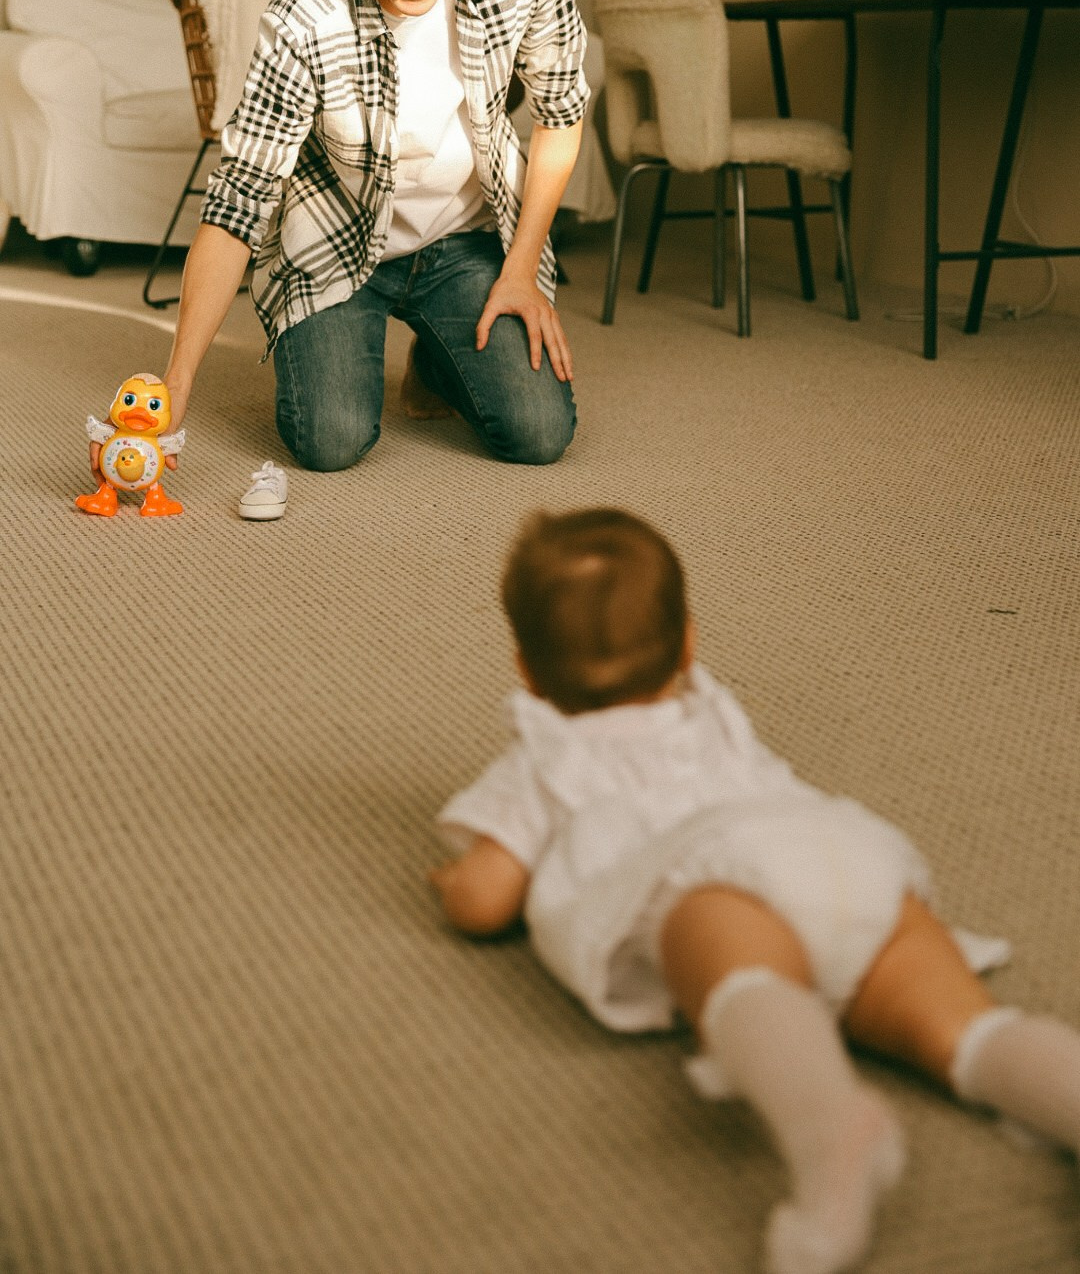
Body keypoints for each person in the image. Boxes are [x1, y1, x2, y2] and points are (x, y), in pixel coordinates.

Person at [430, 508, 1080, 1274]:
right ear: (689, 647)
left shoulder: (549, 756)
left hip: (723, 880)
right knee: (967, 1030)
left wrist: (452, 879)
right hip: (845, 853)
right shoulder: (713, 714)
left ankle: (835, 1130)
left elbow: (484, 900)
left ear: (528, 673)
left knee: (744, 974)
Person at [145, 0, 586, 485]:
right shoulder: (303, 9)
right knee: (329, 441)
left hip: (468, 239)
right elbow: (237, 201)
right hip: (336, 245)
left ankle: (436, 360)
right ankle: (353, 336)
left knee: (539, 433)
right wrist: (177, 382)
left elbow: (561, 116)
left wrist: (521, 268)